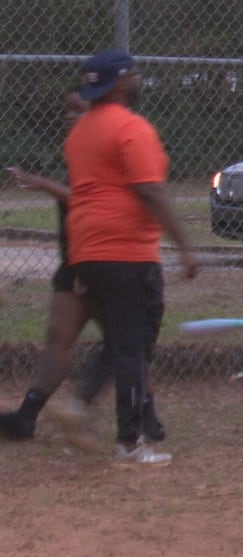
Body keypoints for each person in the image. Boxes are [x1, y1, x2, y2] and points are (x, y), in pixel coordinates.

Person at [0, 91, 165, 449]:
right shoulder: (77, 152)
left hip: (108, 262)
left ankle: (144, 417)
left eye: (80, 110)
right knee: (59, 339)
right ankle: (27, 415)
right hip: (77, 262)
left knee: (127, 344)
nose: (71, 117)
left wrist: (44, 185)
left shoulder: (109, 153)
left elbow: (86, 202)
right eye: (68, 111)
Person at [64, 49, 199, 467]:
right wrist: (183, 245)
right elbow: (150, 190)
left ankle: (81, 404)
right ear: (122, 83)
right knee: (134, 346)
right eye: (135, 75)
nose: (139, 80)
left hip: (86, 247)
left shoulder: (81, 130)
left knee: (126, 341)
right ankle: (129, 439)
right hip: (125, 250)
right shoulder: (131, 127)